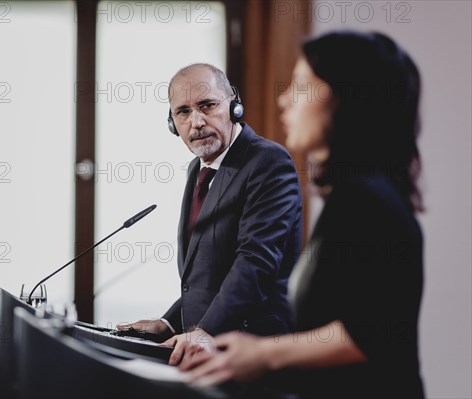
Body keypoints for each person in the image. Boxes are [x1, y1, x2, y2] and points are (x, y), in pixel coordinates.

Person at [181, 31, 426, 398]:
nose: (284, 100)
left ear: (343, 98)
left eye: (300, 85)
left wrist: (262, 352)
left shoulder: (367, 199)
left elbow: (371, 335)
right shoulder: (354, 196)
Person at [117, 63, 303, 365]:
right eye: (183, 112)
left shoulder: (268, 161)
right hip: (208, 353)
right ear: (171, 122)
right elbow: (208, 280)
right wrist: (168, 323)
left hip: (255, 352)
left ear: (234, 105)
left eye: (207, 105)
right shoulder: (198, 169)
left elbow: (255, 262)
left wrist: (205, 331)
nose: (196, 122)